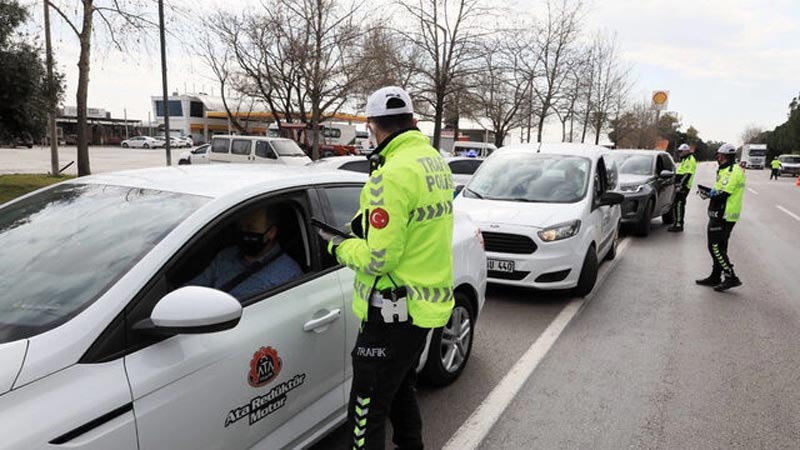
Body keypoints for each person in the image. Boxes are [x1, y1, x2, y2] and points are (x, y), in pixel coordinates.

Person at [319, 86, 454, 450]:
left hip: (391, 314)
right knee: (399, 392)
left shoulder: (390, 175)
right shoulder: (434, 161)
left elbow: (380, 259)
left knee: (366, 410)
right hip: (423, 308)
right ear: (413, 121)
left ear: (372, 126)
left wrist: (339, 246)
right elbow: (415, 225)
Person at [188, 207, 303, 300]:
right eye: (240, 228)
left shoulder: (289, 274)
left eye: (251, 228)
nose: (244, 232)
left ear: (271, 232)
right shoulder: (226, 256)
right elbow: (193, 290)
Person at [696, 143, 745, 291]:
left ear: (724, 156)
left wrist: (709, 194)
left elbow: (723, 194)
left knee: (715, 247)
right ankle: (715, 276)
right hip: (720, 213)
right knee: (720, 247)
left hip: (724, 215)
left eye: (719, 155)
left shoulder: (732, 171)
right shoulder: (725, 169)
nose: (717, 158)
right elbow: (720, 189)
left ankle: (731, 277)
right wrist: (709, 192)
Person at [668, 143, 696, 232]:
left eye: (681, 151)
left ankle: (679, 224)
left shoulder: (690, 160)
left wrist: (681, 185)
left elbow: (688, 174)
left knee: (679, 205)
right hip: (679, 184)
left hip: (684, 186)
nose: (679, 153)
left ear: (686, 151)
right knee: (676, 204)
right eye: (679, 151)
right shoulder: (684, 159)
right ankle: (676, 222)